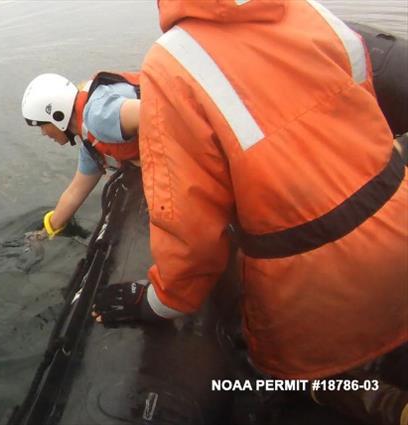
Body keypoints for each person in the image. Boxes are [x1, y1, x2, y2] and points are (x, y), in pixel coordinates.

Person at [88, 0, 407, 423]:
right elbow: (363, 112)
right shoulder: (308, 9)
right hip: (400, 230)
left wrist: (158, 302)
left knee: (274, 380)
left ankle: (365, 399)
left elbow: (191, 234)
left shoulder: (171, 64)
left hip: (314, 289)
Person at [21, 72, 141, 238]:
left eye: (42, 125)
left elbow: (153, 113)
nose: (43, 133)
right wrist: (44, 233)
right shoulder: (90, 147)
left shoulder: (98, 116)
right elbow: (75, 192)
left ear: (57, 115)